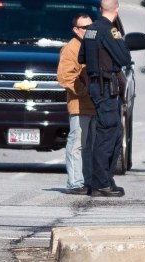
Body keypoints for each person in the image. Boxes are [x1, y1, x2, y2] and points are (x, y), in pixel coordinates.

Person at [79, 0, 132, 197]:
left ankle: (105, 179)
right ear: (116, 11)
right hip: (105, 86)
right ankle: (100, 183)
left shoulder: (91, 30)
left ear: (100, 9)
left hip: (97, 84)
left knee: (115, 132)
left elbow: (82, 57)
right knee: (107, 134)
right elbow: (124, 58)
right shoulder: (109, 31)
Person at [57, 13, 96, 195]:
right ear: (76, 30)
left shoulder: (94, 45)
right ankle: (75, 182)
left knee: (91, 146)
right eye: (84, 28)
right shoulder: (71, 48)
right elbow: (65, 77)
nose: (89, 31)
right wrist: (87, 91)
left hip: (95, 106)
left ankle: (88, 180)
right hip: (79, 105)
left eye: (91, 27)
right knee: (77, 144)